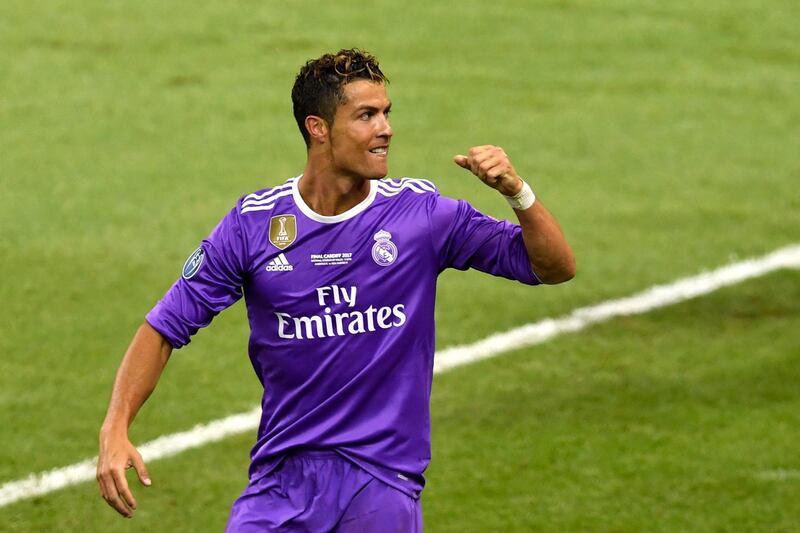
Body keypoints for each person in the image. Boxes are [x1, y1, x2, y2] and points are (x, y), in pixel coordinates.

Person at [96, 48, 575, 531]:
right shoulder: (253, 225)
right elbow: (163, 328)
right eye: (366, 115)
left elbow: (554, 267)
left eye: (387, 112)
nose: (385, 128)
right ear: (318, 128)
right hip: (279, 482)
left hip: (382, 484)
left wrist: (518, 193)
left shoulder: (420, 216)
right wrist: (115, 429)